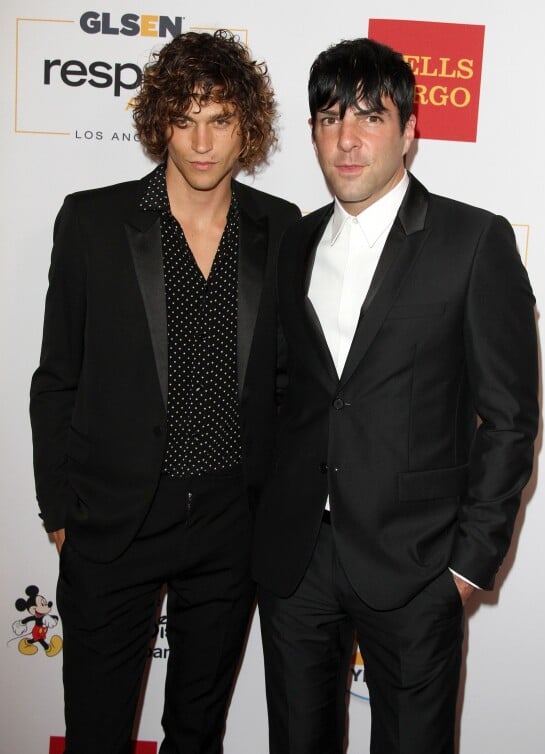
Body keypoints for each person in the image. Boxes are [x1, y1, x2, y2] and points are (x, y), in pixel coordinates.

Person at [252, 37, 538, 754]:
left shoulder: (473, 241)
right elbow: (284, 395)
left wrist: (470, 566)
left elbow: (509, 420)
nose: (346, 141)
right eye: (328, 118)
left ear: (409, 132)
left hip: (417, 564)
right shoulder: (294, 241)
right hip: (297, 565)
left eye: (370, 118)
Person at [30, 29, 300, 754]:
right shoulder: (93, 220)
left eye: (220, 120)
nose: (202, 142)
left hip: (228, 523)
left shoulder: (280, 228)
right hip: (114, 520)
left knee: (197, 731)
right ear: (160, 124)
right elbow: (58, 375)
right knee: (96, 730)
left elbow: (286, 383)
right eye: (184, 119)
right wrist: (60, 510)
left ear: (248, 125)